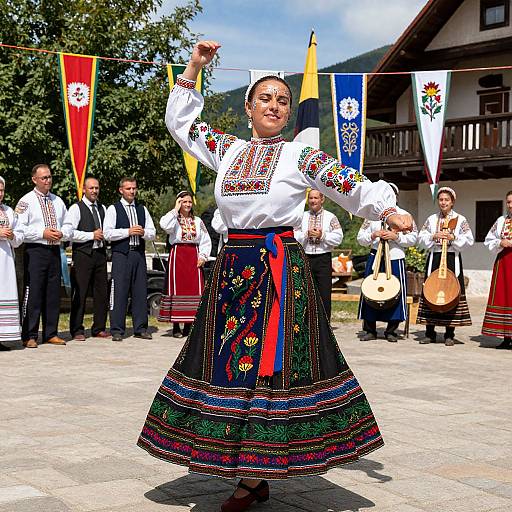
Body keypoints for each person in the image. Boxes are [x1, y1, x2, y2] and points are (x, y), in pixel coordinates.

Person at [137, 40, 412, 512]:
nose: (275, 105)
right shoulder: (226, 149)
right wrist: (195, 66)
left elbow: (349, 183)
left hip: (277, 272)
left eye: (283, 101)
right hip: (231, 273)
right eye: (265, 98)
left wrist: (387, 206)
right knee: (225, 368)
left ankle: (254, 474)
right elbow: (180, 125)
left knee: (272, 370)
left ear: (288, 114)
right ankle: (243, 465)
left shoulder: (300, 156)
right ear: (247, 108)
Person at [357, 183, 418, 342]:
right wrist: (373, 235)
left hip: (394, 257)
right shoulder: (371, 215)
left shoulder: (405, 215)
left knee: (395, 292)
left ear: (396, 197)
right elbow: (360, 238)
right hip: (376, 256)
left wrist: (396, 237)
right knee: (370, 291)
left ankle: (391, 330)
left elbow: (413, 238)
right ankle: (370, 329)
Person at [15, 164, 68, 348]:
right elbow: (19, 229)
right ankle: (29, 334)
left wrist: (62, 233)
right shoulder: (25, 201)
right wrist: (41, 233)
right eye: (44, 178)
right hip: (35, 251)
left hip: (54, 251)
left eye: (49, 177)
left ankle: (50, 333)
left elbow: (68, 224)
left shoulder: (58, 201)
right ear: (34, 180)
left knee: (53, 293)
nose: (48, 181)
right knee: (34, 293)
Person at [417, 187, 473, 346]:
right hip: (435, 258)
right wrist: (434, 235)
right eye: (441, 199)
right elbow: (422, 237)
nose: (443, 202)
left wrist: (452, 237)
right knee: (431, 291)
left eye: (446, 200)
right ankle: (430, 332)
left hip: (451, 258)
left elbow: (469, 239)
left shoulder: (460, 220)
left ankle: (449, 333)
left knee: (452, 292)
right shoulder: (432, 219)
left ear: (452, 202)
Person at [103, 177, 156, 342]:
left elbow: (152, 232)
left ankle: (141, 328)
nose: (132, 191)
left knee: (140, 291)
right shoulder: (113, 209)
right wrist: (127, 232)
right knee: (119, 291)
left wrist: (143, 233)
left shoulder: (142, 209)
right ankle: (117, 329)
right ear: (121, 190)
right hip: (121, 254)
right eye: (128, 189)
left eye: (134, 188)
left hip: (138, 254)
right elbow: (107, 233)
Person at [158, 190, 211, 338]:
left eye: (189, 202)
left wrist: (203, 256)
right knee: (178, 288)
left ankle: (189, 325)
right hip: (178, 256)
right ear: (179, 202)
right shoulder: (173, 219)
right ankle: (176, 325)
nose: (187, 204)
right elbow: (164, 225)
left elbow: (205, 239)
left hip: (193, 255)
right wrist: (175, 209)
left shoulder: (197, 221)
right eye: (184, 202)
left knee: (193, 289)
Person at [62, 177, 110, 341]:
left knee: (102, 293)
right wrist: (91, 235)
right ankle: (76, 329)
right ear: (84, 189)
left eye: (97, 188)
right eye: (91, 188)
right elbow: (69, 233)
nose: (94, 191)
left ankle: (99, 328)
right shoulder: (76, 208)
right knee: (80, 293)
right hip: (82, 255)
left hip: (100, 255)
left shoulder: (103, 208)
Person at [294, 189, 343, 319]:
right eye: (310, 198)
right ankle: (306, 325)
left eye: (316, 198)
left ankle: (324, 326)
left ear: (322, 199)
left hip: (323, 259)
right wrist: (305, 235)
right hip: (305, 257)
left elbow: (339, 237)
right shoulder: (301, 217)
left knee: (324, 293)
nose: (313, 201)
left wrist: (323, 235)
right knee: (305, 292)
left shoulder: (331, 217)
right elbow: (293, 235)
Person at [481, 190, 512, 349]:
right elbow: (489, 240)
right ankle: (506, 337)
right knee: (504, 296)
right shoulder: (501, 221)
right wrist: (501, 242)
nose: (510, 205)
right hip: (504, 263)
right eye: (508, 202)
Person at [0, 176, 23, 350]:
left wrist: (12, 236)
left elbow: (20, 235)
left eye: (1, 190)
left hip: (6, 259)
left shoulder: (8, 211)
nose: (0, 193)